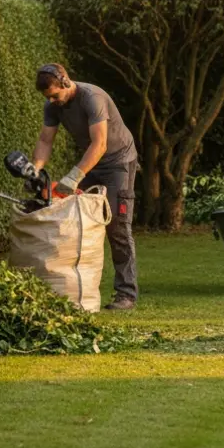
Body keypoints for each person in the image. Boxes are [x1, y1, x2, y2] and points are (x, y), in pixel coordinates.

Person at [31, 63, 139, 311]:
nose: (53, 101)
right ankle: (77, 285)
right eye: (48, 98)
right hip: (93, 163)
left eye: (55, 95)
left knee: (118, 226)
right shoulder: (52, 106)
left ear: (66, 82)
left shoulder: (92, 98)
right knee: (73, 215)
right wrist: (35, 169)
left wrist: (74, 176)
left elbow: (99, 144)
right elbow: (45, 140)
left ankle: (126, 294)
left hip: (118, 163)